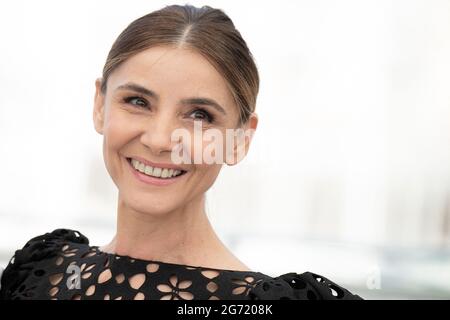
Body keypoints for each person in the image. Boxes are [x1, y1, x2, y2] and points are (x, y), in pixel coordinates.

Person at [0, 4, 362, 300]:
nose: (159, 140)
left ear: (240, 139)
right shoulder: (41, 272)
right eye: (137, 101)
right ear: (100, 105)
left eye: (199, 116)